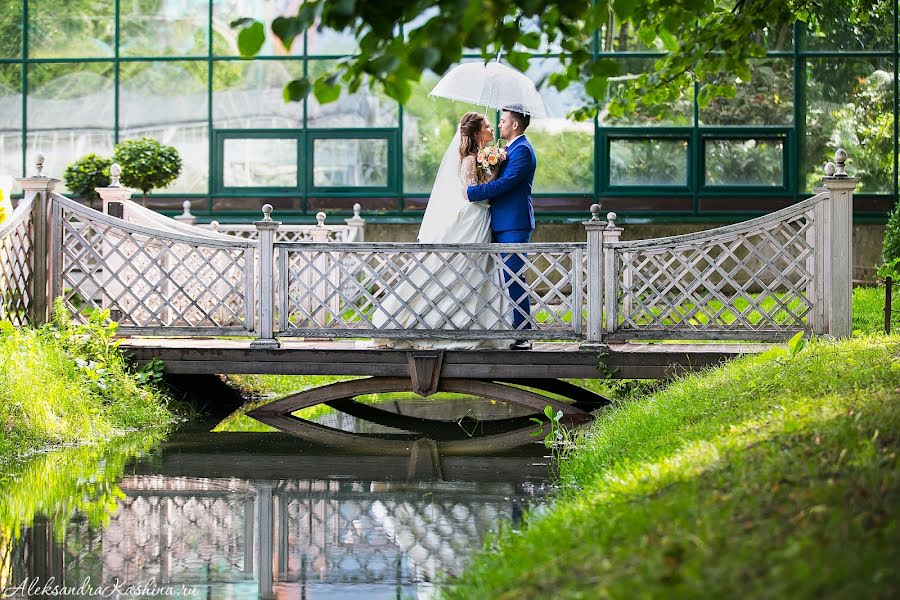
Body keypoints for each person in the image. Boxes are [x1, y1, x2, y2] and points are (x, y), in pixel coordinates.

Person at [371, 112, 510, 349]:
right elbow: (470, 193)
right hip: (471, 218)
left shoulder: (481, 157)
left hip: (480, 219)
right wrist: (494, 173)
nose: (492, 130)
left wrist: (494, 168)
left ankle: (475, 323)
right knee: (459, 269)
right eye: (487, 126)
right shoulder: (468, 159)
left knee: (477, 271)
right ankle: (437, 322)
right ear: (477, 132)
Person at [466, 107, 537, 350]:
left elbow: (506, 183)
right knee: (501, 278)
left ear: (515, 125)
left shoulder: (523, 151)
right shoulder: (509, 149)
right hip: (500, 222)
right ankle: (507, 327)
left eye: (504, 120)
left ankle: (523, 335)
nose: (499, 125)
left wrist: (473, 192)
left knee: (514, 276)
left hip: (514, 223)